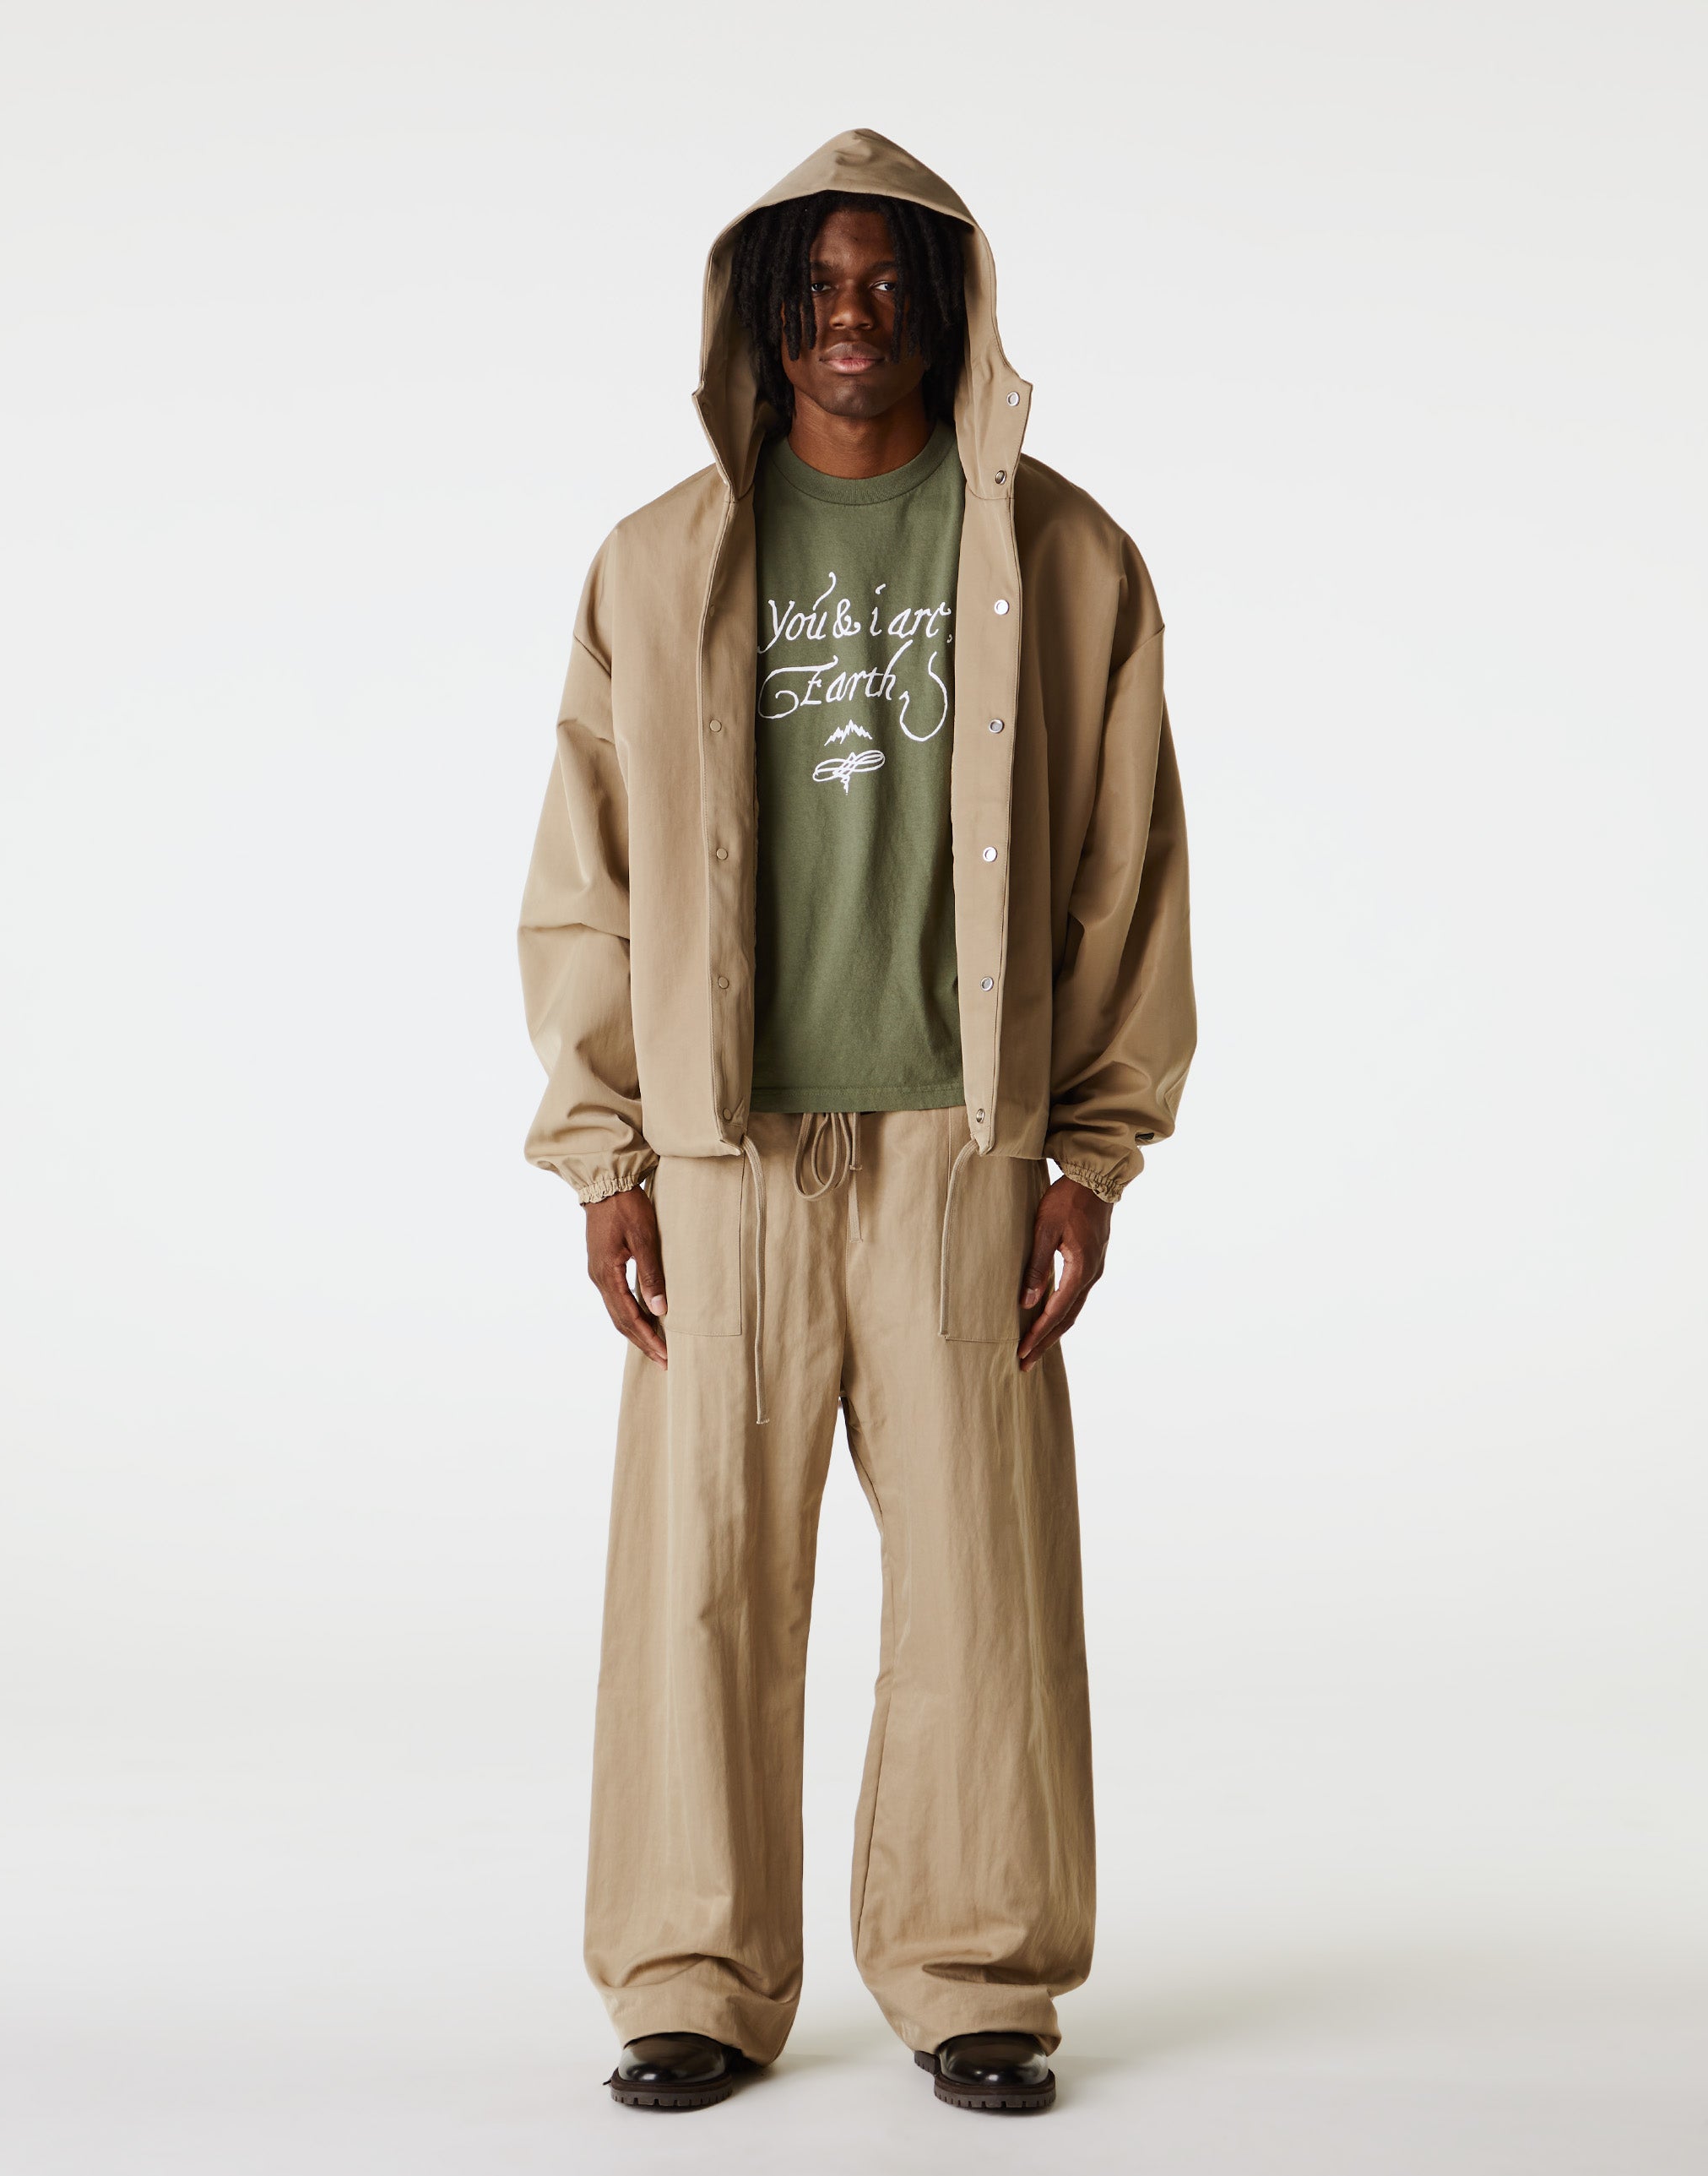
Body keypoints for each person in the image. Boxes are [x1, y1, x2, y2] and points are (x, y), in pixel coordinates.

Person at [518, 128, 1195, 2116]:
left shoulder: (1065, 557)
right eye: (815, 285)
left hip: (958, 1146)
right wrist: (606, 1148)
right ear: (761, 312)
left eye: (886, 283)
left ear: (946, 307)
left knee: (982, 1579)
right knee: (702, 1580)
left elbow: (1125, 867)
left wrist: (1091, 1149)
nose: (849, 318)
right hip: (721, 1155)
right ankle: (688, 1971)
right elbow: (589, 873)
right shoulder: (657, 563)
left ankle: (978, 1966)